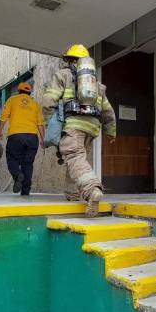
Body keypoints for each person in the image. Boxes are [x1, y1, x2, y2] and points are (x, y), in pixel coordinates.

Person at [39, 44, 116, 217]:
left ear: (69, 60)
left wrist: (47, 123)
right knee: (76, 158)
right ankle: (72, 193)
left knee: (73, 155)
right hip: (92, 128)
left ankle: (92, 189)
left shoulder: (62, 75)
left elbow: (48, 101)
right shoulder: (97, 85)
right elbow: (108, 111)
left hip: (73, 124)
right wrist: (111, 132)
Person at [0, 82, 44, 196]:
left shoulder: (12, 100)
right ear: (30, 92)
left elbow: (3, 116)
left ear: (19, 90)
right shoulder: (35, 104)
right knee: (28, 164)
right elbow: (40, 124)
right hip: (32, 137)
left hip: (16, 135)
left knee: (12, 159)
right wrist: (43, 139)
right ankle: (25, 191)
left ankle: (17, 175)